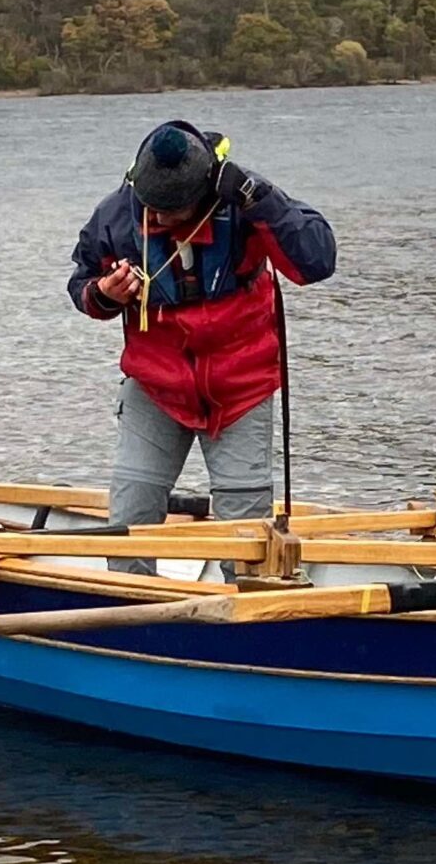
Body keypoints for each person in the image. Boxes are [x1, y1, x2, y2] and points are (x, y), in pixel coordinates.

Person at [67, 120, 337, 574]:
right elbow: (80, 284)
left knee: (246, 538)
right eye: (153, 207)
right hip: (155, 386)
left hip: (241, 389)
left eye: (174, 209)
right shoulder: (116, 213)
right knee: (131, 513)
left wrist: (263, 200)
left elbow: (317, 261)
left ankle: (247, 620)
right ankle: (134, 614)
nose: (161, 217)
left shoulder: (247, 202)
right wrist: (104, 295)